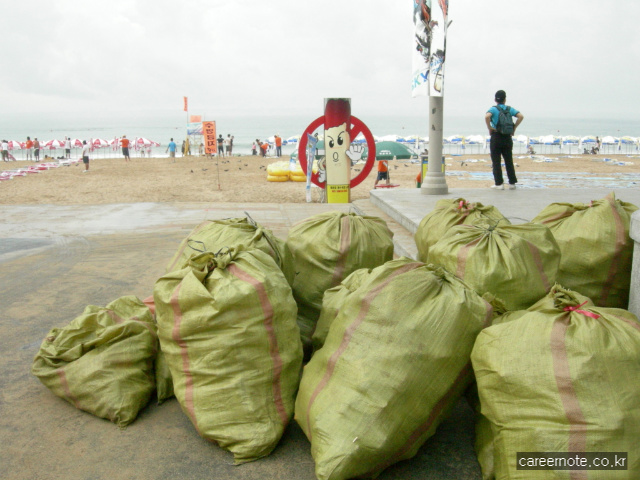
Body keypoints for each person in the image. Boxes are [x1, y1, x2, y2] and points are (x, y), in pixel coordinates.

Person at [484, 89, 523, 190]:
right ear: (505, 99)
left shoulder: (493, 109)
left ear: (495, 99)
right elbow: (521, 116)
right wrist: (514, 127)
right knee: (509, 160)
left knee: (496, 161)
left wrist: (489, 128)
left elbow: (487, 117)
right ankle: (512, 183)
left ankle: (499, 184)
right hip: (507, 137)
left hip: (496, 136)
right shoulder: (509, 109)